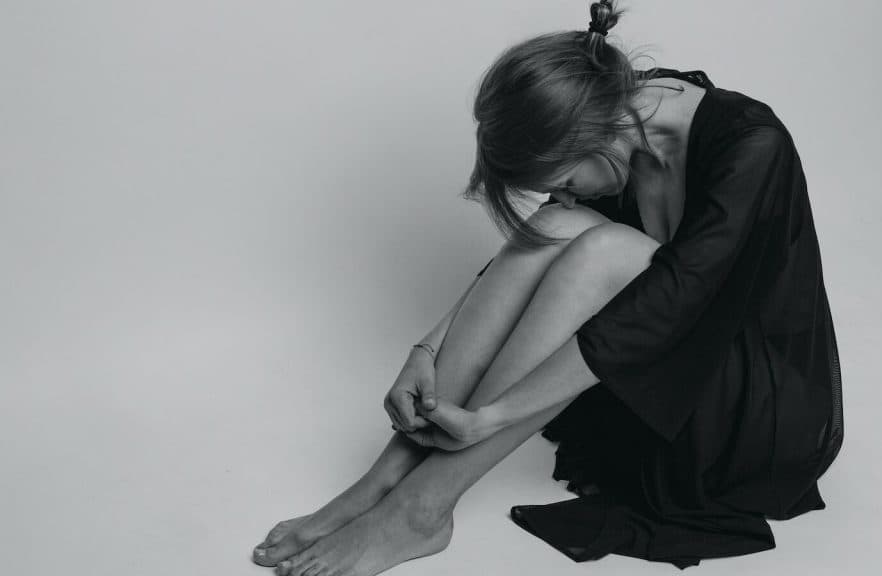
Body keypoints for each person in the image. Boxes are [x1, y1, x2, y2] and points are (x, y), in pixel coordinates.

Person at [250, 0, 844, 573]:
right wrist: (427, 347)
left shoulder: (751, 143)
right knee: (562, 225)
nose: (572, 192)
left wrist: (496, 415)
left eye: (563, 177)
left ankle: (422, 508)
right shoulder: (616, 109)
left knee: (605, 249)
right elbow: (544, 242)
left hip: (738, 408)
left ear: (593, 134)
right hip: (644, 374)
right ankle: (386, 477)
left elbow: (671, 304)